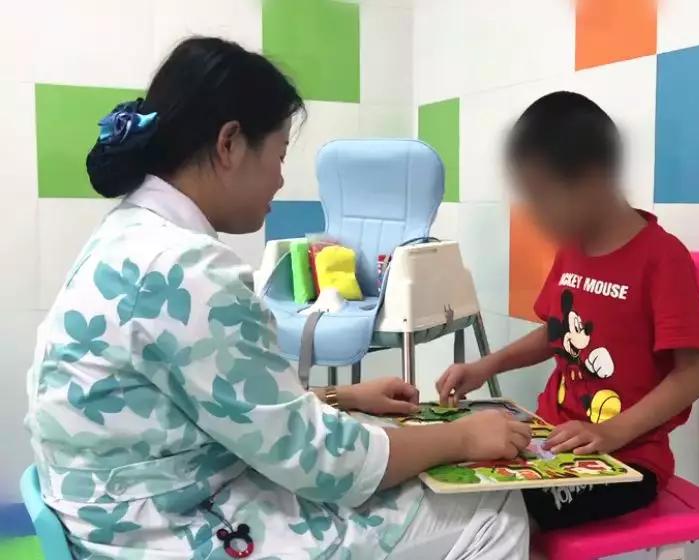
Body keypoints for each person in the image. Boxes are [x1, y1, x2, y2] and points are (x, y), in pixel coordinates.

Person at [24, 37, 531, 560]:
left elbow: (214, 403)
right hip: (169, 531)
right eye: (280, 155)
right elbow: (325, 463)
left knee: (377, 440)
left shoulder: (129, 235)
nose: (281, 178)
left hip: (120, 515)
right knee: (493, 508)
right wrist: (462, 439)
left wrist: (341, 398)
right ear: (229, 144)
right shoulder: (188, 270)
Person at [436, 92, 699, 531]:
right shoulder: (573, 250)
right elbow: (555, 332)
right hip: (551, 438)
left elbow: (693, 374)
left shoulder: (663, 259)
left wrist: (613, 432)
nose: (535, 215)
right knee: (455, 473)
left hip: (628, 460)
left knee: (506, 513)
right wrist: (485, 367)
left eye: (542, 197)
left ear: (593, 179)